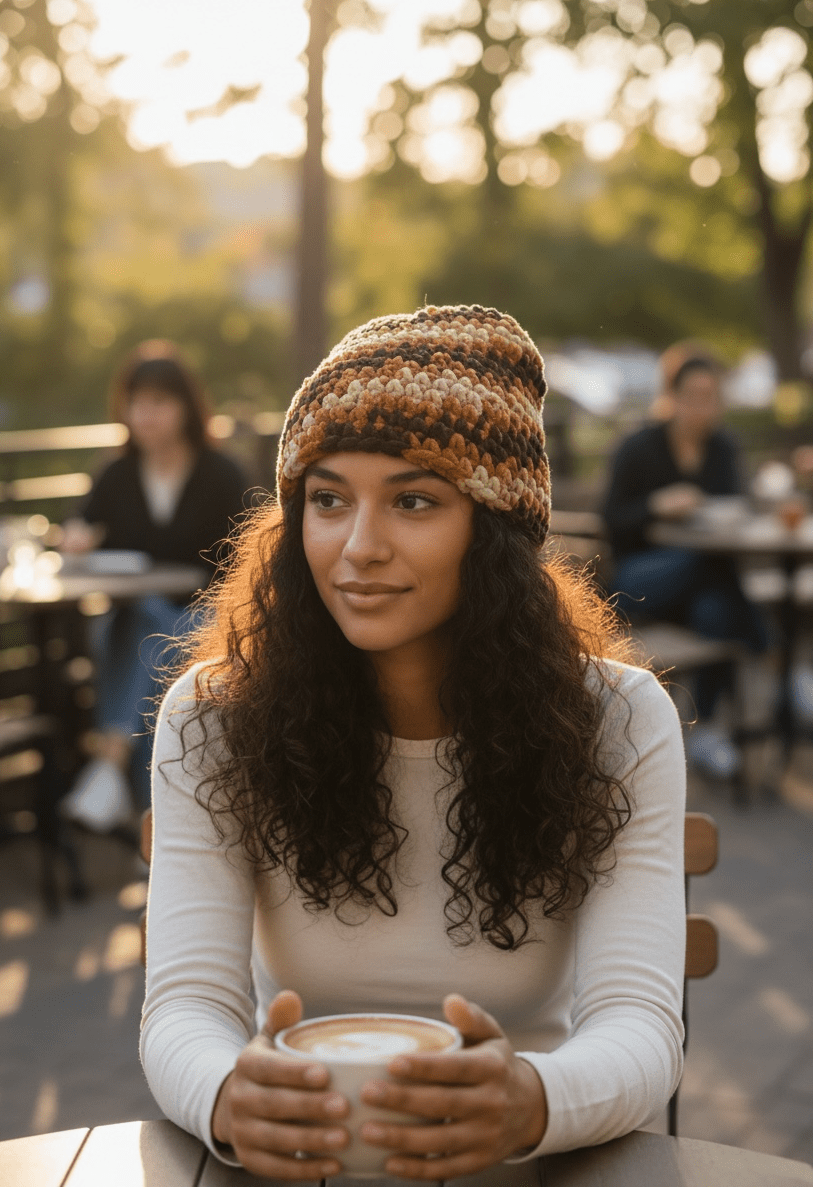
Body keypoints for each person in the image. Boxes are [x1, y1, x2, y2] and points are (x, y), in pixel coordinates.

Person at [142, 305, 686, 1181]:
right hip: (300, 1161)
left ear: (495, 529)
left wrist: (531, 1100)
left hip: (527, 1160)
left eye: (414, 500)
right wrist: (226, 1098)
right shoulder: (214, 716)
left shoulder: (618, 722)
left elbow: (639, 1023)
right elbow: (186, 1008)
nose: (358, 548)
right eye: (327, 500)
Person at [60, 340, 247, 828]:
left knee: (144, 630)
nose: (146, 414)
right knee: (140, 627)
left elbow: (251, 554)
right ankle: (158, 830)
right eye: (137, 403)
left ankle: (110, 763)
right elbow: (79, 526)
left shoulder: (220, 474)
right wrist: (77, 539)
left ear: (187, 408)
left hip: (208, 617)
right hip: (139, 622)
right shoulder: (117, 475)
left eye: (159, 402)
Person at [602, 349, 767, 779]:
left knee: (714, 610)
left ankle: (706, 729)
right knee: (705, 565)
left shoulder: (723, 448)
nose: (703, 405)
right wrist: (657, 505)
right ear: (671, 396)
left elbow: (737, 507)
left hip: (702, 584)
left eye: (711, 395)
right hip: (641, 576)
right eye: (693, 394)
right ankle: (770, 650)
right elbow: (613, 519)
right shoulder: (640, 448)